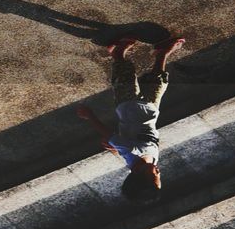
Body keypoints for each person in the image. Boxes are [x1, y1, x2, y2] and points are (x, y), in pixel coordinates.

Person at [76, 35, 185, 203]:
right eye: (159, 176)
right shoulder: (148, 161)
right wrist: (114, 149)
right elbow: (120, 147)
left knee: (125, 75)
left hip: (128, 105)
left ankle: (117, 53)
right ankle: (162, 53)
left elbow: (109, 136)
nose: (158, 171)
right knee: (159, 82)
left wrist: (89, 116)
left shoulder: (132, 152)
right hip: (150, 109)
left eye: (154, 175)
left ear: (137, 173)